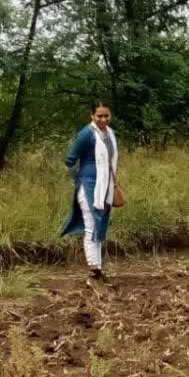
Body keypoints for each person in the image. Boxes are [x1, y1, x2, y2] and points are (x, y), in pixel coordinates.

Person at [61, 101, 120, 282]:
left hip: (105, 187)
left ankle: (98, 270)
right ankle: (93, 270)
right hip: (88, 187)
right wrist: (79, 178)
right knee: (91, 227)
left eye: (106, 115)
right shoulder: (87, 134)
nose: (103, 119)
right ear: (92, 116)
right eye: (99, 116)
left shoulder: (109, 134)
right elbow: (69, 159)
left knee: (100, 226)